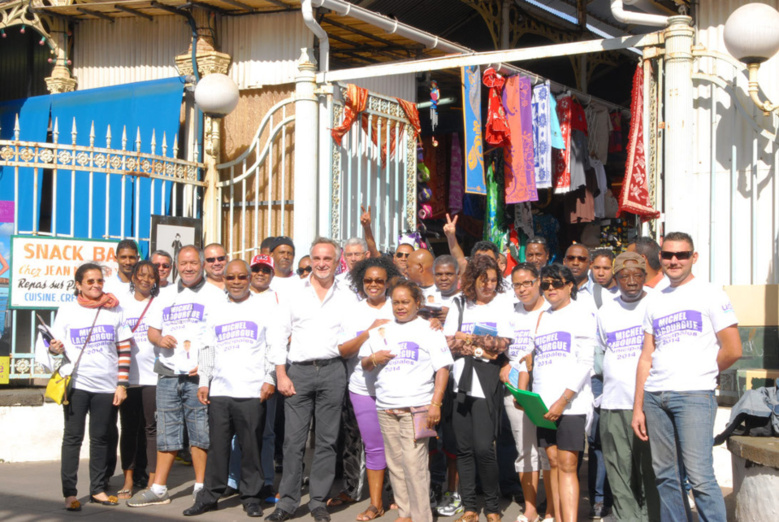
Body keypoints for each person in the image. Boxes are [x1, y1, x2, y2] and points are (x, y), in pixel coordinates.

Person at [632, 232, 741, 522]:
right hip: (655, 398)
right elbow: (646, 356)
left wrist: (705, 370)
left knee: (700, 477)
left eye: (681, 254)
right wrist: (638, 407)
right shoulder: (654, 300)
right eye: (667, 255)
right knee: (666, 477)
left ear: (694, 257)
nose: (674, 260)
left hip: (694, 395)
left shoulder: (711, 293)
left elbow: (733, 349)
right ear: (660, 259)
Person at [184, 260, 285, 517]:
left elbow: (274, 346)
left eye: (242, 277)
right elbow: (207, 348)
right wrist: (204, 381)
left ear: (249, 278)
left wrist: (270, 378)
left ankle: (251, 496)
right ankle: (210, 495)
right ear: (225, 280)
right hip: (220, 390)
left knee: (251, 446)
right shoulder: (216, 309)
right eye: (231, 278)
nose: (237, 281)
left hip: (252, 390)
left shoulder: (264, 308)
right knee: (217, 446)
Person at [266, 238, 358, 522]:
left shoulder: (347, 295)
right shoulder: (294, 291)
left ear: (336, 260)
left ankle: (318, 501)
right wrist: (280, 374)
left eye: (327, 259)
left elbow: (354, 334)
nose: (321, 264)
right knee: (293, 442)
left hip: (333, 371)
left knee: (327, 441)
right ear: (311, 259)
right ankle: (288, 503)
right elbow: (278, 335)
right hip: (299, 373)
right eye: (316, 258)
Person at [127, 245, 224, 508]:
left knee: (199, 432)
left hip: (197, 376)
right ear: (177, 266)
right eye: (183, 263)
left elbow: (219, 335)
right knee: (166, 431)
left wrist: (205, 366)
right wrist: (161, 338)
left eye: (193, 263)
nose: (188, 268)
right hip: (168, 373)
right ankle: (159, 488)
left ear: (202, 264)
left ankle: (201, 487)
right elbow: (152, 332)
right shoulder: (165, 295)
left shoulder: (216, 295)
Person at [360, 279, 453, 522]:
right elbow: (364, 364)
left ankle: (421, 517)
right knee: (397, 466)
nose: (400, 307)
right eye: (396, 302)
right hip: (386, 407)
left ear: (417, 303)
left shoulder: (429, 329)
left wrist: (436, 403)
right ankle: (405, 513)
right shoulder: (381, 331)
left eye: (405, 302)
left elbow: (442, 368)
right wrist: (373, 358)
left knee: (415, 467)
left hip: (417, 408)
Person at [47, 263, 131, 511]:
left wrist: (121, 384)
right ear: (79, 285)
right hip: (77, 384)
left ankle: (98, 489)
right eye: (90, 282)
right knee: (73, 438)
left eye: (99, 281)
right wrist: (55, 349)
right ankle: (70, 494)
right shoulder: (67, 310)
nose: (96, 286)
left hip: (106, 386)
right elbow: (54, 343)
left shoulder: (115, 309)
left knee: (101, 439)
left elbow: (124, 348)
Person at [443, 256, 513, 522]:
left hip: (487, 380)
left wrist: (468, 338)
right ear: (473, 280)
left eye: (495, 281)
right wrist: (482, 346)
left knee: (484, 447)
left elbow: (502, 344)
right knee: (463, 448)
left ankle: (493, 507)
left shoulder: (502, 304)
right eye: (485, 280)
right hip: (460, 380)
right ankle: (470, 507)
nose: (490, 286)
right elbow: (449, 342)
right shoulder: (459, 303)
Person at [331, 257, 401, 519]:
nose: (373, 285)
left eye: (379, 281)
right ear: (361, 282)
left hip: (395, 388)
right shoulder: (354, 311)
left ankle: (397, 496)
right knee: (373, 446)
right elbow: (343, 350)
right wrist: (368, 332)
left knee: (397, 445)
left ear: (388, 282)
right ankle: (375, 503)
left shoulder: (399, 306)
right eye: (368, 280)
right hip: (362, 388)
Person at [597, 253, 659, 521]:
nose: (631, 281)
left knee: (649, 470)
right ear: (616, 277)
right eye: (624, 275)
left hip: (650, 403)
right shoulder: (605, 310)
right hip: (613, 402)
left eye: (637, 275)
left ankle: (650, 517)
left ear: (645, 277)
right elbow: (601, 349)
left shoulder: (657, 304)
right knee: (618, 470)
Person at [532, 263, 596, 522]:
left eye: (556, 284)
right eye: (545, 285)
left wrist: (563, 399)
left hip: (571, 404)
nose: (550, 289)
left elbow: (585, 362)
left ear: (570, 285)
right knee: (553, 462)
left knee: (569, 464)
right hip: (542, 403)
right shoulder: (542, 316)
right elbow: (535, 359)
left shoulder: (581, 313)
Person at [501, 263, 551, 522]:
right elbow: (505, 349)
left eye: (527, 283)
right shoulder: (511, 313)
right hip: (516, 391)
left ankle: (553, 508)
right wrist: (506, 364)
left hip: (546, 388)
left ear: (538, 281)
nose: (522, 289)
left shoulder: (551, 310)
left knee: (548, 451)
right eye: (517, 285)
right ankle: (530, 508)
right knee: (525, 449)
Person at [117, 261, 161, 500]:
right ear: (133, 277)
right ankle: (128, 478)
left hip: (153, 376)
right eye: (141, 275)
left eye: (151, 276)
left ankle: (153, 480)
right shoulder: (120, 304)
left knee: (152, 429)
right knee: (129, 429)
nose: (145, 279)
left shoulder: (160, 303)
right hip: (127, 377)